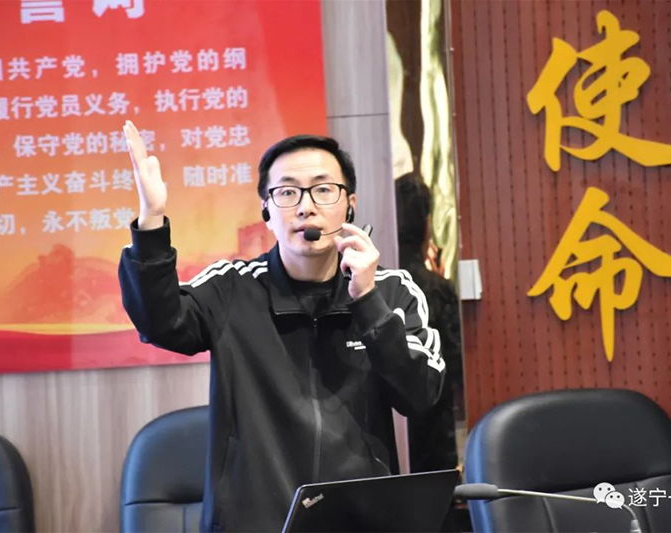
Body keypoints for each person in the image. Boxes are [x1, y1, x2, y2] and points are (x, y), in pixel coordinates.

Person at [118, 121, 446, 532]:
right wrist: (151, 221)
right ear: (267, 213)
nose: (306, 206)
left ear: (350, 205)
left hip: (361, 521)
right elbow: (160, 322)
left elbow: (420, 396)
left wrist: (367, 301)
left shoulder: (391, 291)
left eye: (323, 189)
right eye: (287, 192)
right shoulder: (232, 288)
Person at [394, 173, 463, 473]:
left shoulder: (373, 286)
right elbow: (457, 367)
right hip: (434, 439)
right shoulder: (435, 289)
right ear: (426, 225)